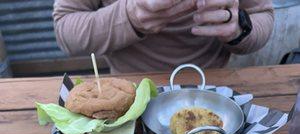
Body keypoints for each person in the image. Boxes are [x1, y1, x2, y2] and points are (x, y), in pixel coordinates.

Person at [53, 0, 274, 74]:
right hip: (127, 92)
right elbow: (65, 32)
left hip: (214, 89)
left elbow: (262, 15)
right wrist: (130, 16)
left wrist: (237, 29)